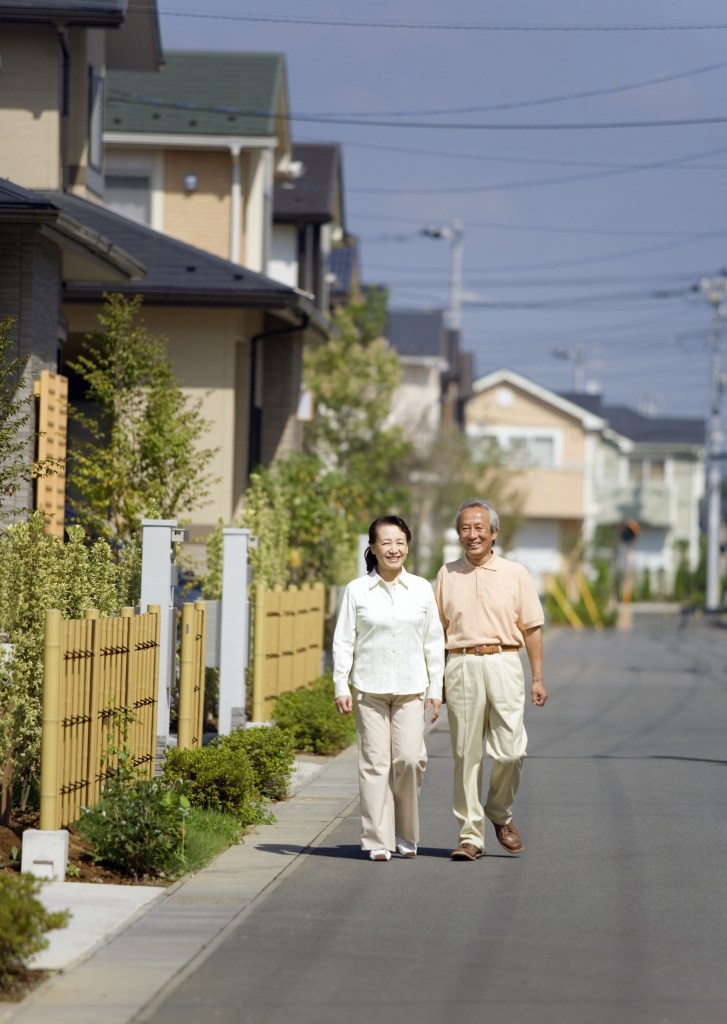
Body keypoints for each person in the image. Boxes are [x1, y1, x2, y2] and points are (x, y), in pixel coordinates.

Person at [434, 498, 547, 861]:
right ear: (458, 534)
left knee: (512, 750)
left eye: (479, 527)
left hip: (504, 661)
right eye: (465, 528)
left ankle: (499, 812)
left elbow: (531, 628)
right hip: (461, 664)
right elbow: (436, 633)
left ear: (494, 533)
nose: (472, 534)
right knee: (466, 754)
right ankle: (470, 835)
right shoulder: (446, 574)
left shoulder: (515, 573)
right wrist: (436, 680)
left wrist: (538, 678)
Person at [333, 515, 445, 861]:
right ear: (373, 548)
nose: (393, 549)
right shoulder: (356, 590)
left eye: (399, 542)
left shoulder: (422, 588)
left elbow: (434, 641)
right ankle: (377, 840)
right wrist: (341, 684)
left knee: (410, 760)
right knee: (375, 764)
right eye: (386, 542)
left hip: (412, 689)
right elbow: (343, 641)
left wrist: (435, 689)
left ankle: (406, 833)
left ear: (407, 545)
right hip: (369, 689)